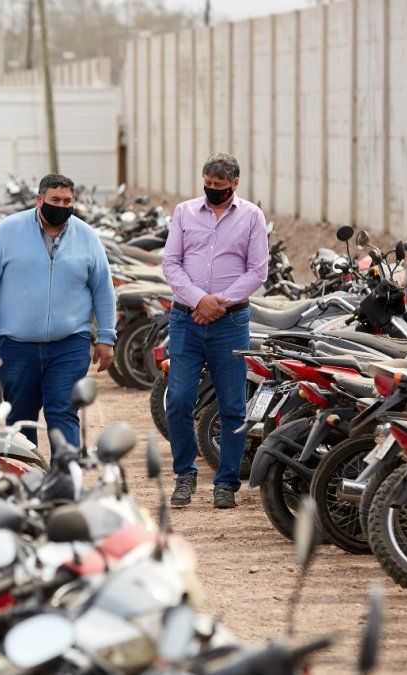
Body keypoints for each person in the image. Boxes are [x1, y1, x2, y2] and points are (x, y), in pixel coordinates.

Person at [0, 173, 116, 450]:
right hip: (16, 346)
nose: (61, 205)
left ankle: (66, 478)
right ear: (39, 200)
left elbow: (103, 289)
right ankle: (28, 480)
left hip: (69, 344)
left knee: (63, 411)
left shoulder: (87, 237)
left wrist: (107, 336)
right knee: (18, 419)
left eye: (67, 201)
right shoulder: (8, 231)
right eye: (54, 200)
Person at [162, 153, 269, 509]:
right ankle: (185, 474)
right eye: (207, 185)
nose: (212, 191)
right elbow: (171, 263)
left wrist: (218, 302)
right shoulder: (184, 212)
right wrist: (198, 301)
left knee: (233, 404)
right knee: (177, 400)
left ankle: (225, 483)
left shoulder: (252, 216)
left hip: (230, 322)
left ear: (234, 184)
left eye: (219, 187)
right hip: (186, 320)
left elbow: (257, 271)